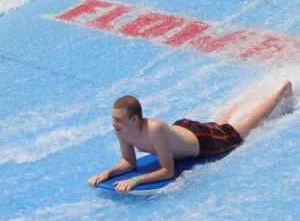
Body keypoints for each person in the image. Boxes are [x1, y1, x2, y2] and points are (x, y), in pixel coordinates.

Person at [88, 80, 293, 194]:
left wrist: (135, 180)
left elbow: (167, 171)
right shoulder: (121, 130)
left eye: (118, 119)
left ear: (134, 119)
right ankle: (249, 97)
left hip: (203, 141)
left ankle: (282, 90)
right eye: (113, 119)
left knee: (239, 132)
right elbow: (128, 161)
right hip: (184, 130)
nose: (113, 124)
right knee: (221, 126)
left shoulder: (155, 129)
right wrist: (107, 173)